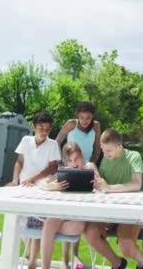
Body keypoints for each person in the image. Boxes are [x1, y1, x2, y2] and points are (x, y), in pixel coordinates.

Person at [84, 128, 143, 269]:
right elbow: (103, 185)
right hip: (108, 211)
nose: (105, 155)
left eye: (109, 151)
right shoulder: (106, 160)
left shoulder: (134, 157)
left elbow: (137, 184)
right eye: (103, 150)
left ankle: (142, 260)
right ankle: (117, 263)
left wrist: (110, 188)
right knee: (89, 232)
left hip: (131, 210)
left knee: (125, 245)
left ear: (120, 147)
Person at [7, 111, 61, 269]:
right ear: (33, 127)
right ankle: (30, 254)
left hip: (41, 189)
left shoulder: (53, 144)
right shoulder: (25, 140)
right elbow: (19, 161)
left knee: (36, 225)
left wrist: (34, 178)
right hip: (23, 187)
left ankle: (31, 263)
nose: (44, 131)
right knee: (19, 223)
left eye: (48, 129)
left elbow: (53, 167)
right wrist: (14, 180)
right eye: (41, 127)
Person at [38, 142, 99, 269]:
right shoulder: (65, 171)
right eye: (70, 161)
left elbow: (101, 185)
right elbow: (42, 183)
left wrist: (97, 184)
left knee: (75, 227)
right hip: (62, 212)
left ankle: (55, 239)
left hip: (79, 215)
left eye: (76, 158)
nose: (74, 163)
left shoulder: (90, 166)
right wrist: (51, 186)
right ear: (66, 162)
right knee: (50, 222)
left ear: (82, 155)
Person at [55, 101, 102, 264]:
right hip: (70, 169)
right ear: (77, 115)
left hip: (86, 171)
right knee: (68, 214)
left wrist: (91, 165)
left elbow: (97, 148)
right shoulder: (70, 124)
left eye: (88, 118)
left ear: (92, 117)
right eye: (82, 117)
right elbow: (57, 141)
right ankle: (65, 258)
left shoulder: (96, 126)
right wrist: (61, 164)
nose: (84, 121)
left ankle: (75, 255)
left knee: (79, 215)